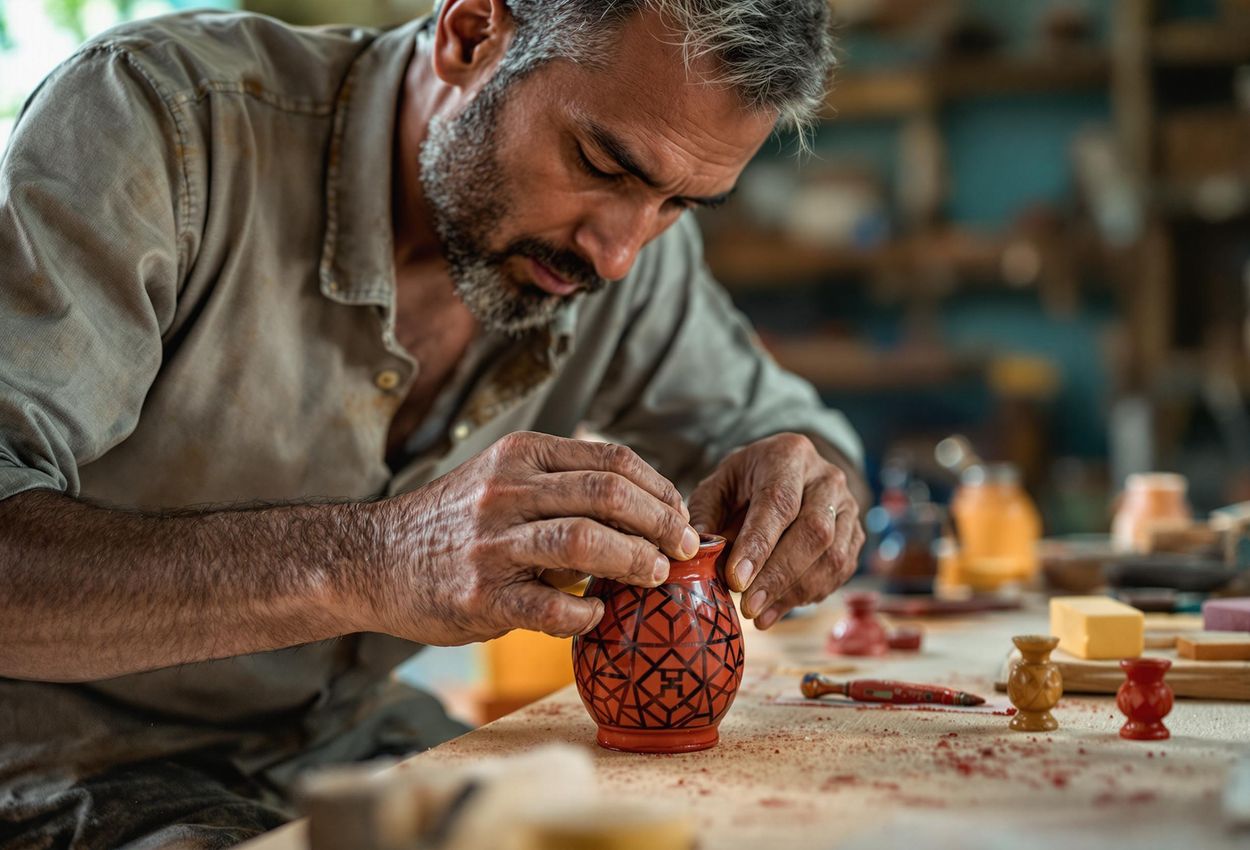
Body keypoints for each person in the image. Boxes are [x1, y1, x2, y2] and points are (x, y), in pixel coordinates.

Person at [0, 0, 865, 845]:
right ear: (472, 33)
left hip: (345, 741)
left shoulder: (628, 248)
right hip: (63, 766)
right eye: (603, 165)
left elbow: (797, 434)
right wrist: (372, 559)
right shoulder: (159, 126)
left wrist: (810, 484)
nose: (621, 253)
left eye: (682, 205)